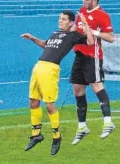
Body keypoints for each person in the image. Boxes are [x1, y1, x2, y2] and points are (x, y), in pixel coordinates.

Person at [21, 10, 94, 155]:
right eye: (60, 18)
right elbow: (45, 45)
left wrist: (85, 24)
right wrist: (32, 38)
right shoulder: (55, 33)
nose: (60, 21)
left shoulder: (74, 35)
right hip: (39, 66)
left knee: (49, 105)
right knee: (33, 101)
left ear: (71, 22)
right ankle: (36, 134)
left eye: (64, 19)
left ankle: (56, 136)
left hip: (50, 69)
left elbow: (91, 42)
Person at [70, 0, 115, 145]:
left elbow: (110, 38)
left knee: (97, 86)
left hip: (93, 56)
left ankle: (108, 122)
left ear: (94, 1)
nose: (84, 2)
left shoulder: (103, 15)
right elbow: (77, 29)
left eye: (87, 0)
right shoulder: (81, 11)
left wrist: (94, 33)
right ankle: (82, 126)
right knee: (77, 89)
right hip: (79, 55)